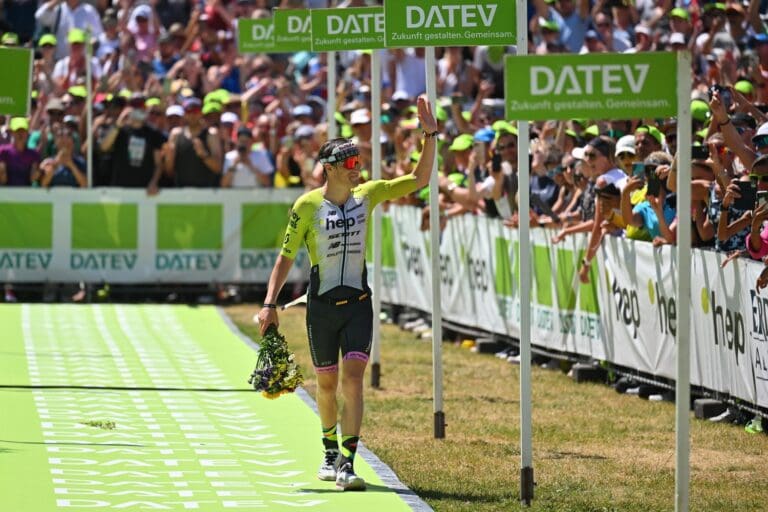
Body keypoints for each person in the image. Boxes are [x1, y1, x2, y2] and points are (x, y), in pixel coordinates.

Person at [257, 96, 438, 492]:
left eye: (360, 163)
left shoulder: (368, 195)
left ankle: (347, 461)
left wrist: (429, 136)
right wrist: (269, 303)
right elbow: (285, 258)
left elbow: (418, 180)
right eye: (352, 164)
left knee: (352, 380)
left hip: (358, 305)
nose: (360, 170)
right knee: (326, 383)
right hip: (320, 308)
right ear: (331, 168)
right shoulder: (306, 206)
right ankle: (327, 449)